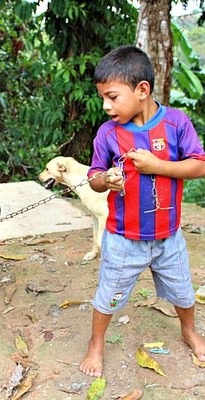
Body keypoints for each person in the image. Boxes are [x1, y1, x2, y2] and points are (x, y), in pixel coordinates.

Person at [80, 44, 205, 377]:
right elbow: (92, 178)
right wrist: (106, 179)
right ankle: (96, 343)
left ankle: (189, 331)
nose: (106, 106)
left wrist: (156, 165)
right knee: (108, 295)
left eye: (112, 97)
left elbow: (198, 165)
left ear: (142, 89)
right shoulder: (108, 134)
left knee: (183, 291)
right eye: (102, 98)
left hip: (169, 236)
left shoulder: (177, 123)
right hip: (123, 239)